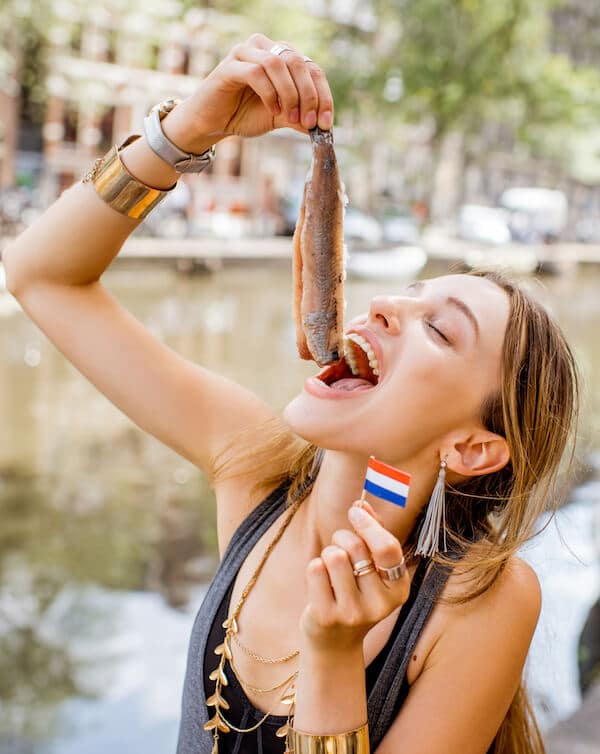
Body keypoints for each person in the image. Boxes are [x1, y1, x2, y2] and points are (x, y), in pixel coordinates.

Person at [3, 33, 579, 754]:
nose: (386, 308)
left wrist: (334, 658)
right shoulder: (253, 465)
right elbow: (38, 276)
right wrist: (187, 131)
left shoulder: (481, 602)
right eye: (405, 293)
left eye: (439, 331)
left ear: (472, 446)